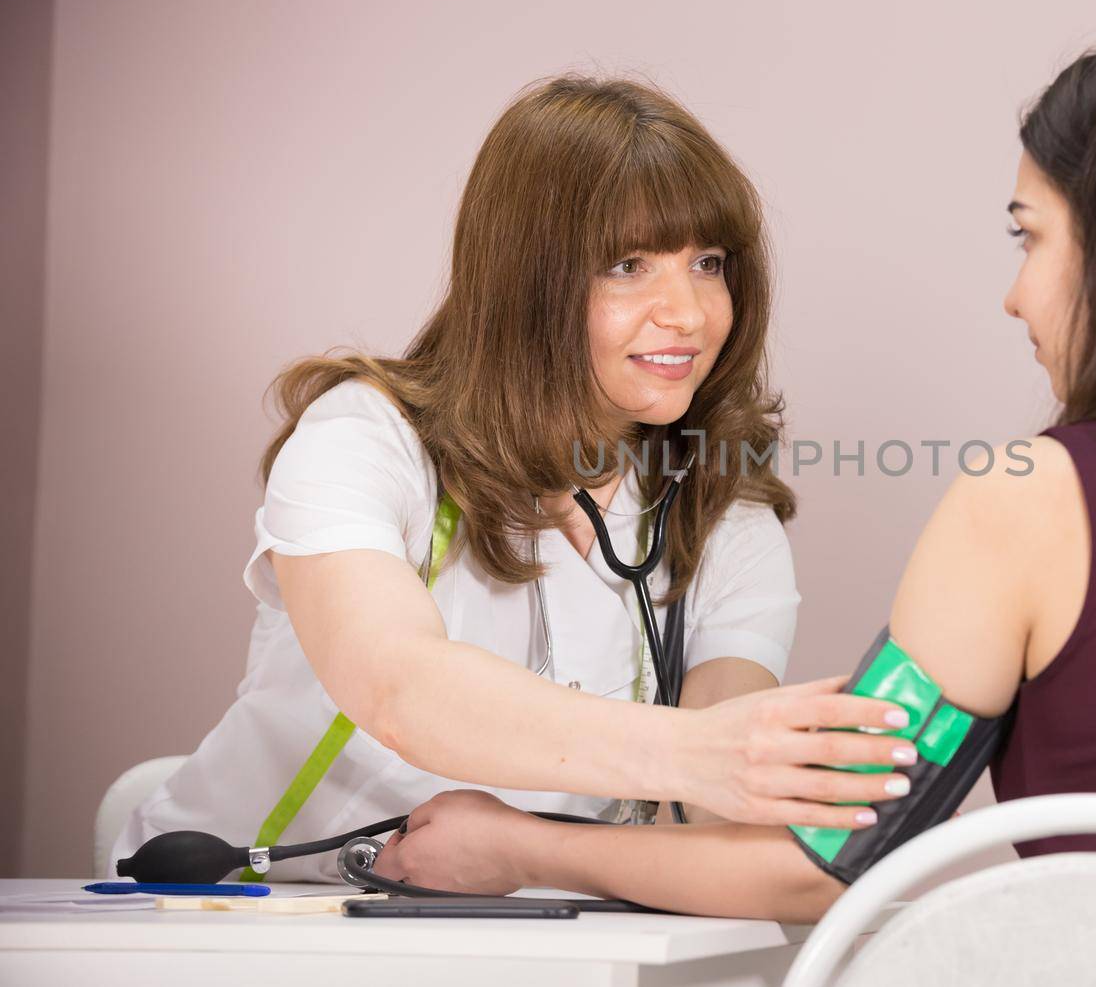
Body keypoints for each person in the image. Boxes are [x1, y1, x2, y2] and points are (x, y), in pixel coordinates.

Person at [375, 28, 1096, 987]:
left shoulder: (1036, 496)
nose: (1015, 293)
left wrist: (522, 844)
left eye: (1031, 236)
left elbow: (817, 863)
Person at [111, 76, 919, 883]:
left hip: (523, 932)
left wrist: (534, 846)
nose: (690, 313)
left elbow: (729, 822)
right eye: (628, 264)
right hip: (240, 912)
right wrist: (704, 752)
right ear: (525, 281)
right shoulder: (364, 439)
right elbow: (400, 688)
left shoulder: (721, 511)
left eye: (708, 263)